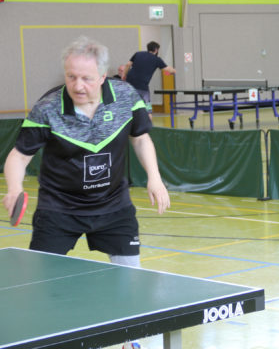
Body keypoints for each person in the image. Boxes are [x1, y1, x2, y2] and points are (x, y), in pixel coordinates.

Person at [3, 36, 170, 268]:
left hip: (113, 206)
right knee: (43, 281)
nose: (78, 86)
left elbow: (140, 138)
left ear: (102, 76)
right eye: (71, 77)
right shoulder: (48, 107)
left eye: (86, 78)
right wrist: (14, 188)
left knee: (131, 277)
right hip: (59, 208)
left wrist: (155, 178)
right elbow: (19, 155)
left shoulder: (126, 97)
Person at [124, 41, 176, 120]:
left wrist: (124, 75)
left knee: (128, 108)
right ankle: (149, 125)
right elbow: (168, 70)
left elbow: (128, 64)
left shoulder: (138, 54)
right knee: (147, 110)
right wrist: (175, 71)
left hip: (129, 85)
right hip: (142, 87)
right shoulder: (156, 59)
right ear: (156, 50)